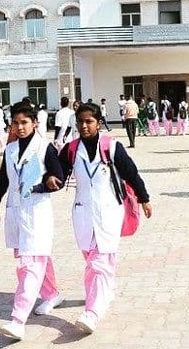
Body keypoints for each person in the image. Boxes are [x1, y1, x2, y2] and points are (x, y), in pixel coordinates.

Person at [58, 103, 153, 334]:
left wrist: (144, 198)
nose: (84, 126)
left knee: (99, 262)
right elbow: (58, 178)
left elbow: (131, 173)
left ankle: (92, 312)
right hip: (81, 213)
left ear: (98, 123)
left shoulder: (112, 147)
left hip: (109, 211)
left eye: (89, 121)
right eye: (80, 121)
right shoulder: (70, 150)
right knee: (92, 259)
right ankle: (106, 290)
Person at [0, 103, 66, 341]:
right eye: (15, 123)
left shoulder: (45, 148)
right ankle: (52, 294)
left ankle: (18, 320)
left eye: (24, 122)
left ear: (35, 123)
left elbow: (59, 178)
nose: (20, 127)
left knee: (30, 265)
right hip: (17, 213)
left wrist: (42, 185)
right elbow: (1, 184)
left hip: (37, 213)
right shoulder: (10, 150)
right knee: (37, 258)